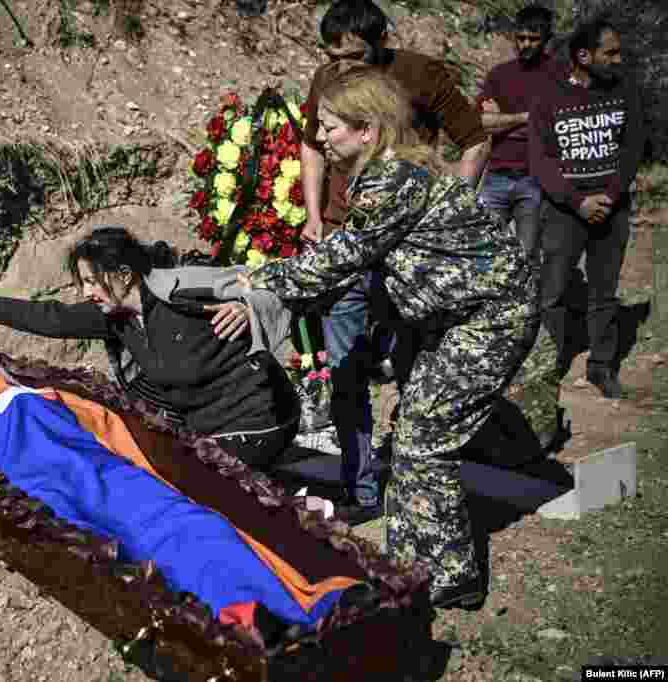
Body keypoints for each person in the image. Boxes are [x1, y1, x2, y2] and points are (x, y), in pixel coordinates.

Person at [241, 67, 539, 608]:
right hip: (457, 319)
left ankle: (451, 578)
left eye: (330, 127)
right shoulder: (389, 175)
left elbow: (341, 259)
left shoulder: (390, 181)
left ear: (368, 131)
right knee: (416, 444)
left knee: (425, 442)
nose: (321, 138)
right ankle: (410, 567)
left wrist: (256, 280)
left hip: (490, 318)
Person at [298, 0, 491, 522]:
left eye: (354, 56)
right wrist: (315, 214)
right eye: (332, 56)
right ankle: (360, 491)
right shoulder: (327, 78)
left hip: (408, 251)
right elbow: (311, 146)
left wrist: (450, 207)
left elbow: (474, 141)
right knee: (345, 371)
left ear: (381, 40)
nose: (343, 68)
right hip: (346, 241)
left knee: (415, 368)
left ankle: (416, 483)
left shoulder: (420, 74)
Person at [0, 226, 303, 473]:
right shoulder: (114, 316)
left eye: (91, 281)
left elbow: (274, 283)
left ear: (123, 275)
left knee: (187, 484)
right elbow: (53, 318)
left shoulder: (180, 290)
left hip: (261, 421)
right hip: (209, 429)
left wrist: (249, 307)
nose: (86, 292)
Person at [528, 15, 646, 399]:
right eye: (609, 52)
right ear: (583, 55)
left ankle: (601, 366)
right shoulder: (549, 94)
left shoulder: (624, 89)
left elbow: (632, 148)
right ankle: (548, 365)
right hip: (565, 211)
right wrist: (576, 201)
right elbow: (541, 158)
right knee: (553, 291)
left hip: (613, 208)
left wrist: (609, 197)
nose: (618, 59)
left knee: (604, 292)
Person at [477, 4, 564, 269]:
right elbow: (482, 124)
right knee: (484, 253)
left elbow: (557, 129)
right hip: (496, 177)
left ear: (547, 39)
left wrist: (503, 119)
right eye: (521, 37)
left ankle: (527, 309)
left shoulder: (560, 75)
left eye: (533, 39)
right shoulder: (499, 75)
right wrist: (526, 118)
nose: (525, 44)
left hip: (537, 180)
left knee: (527, 258)